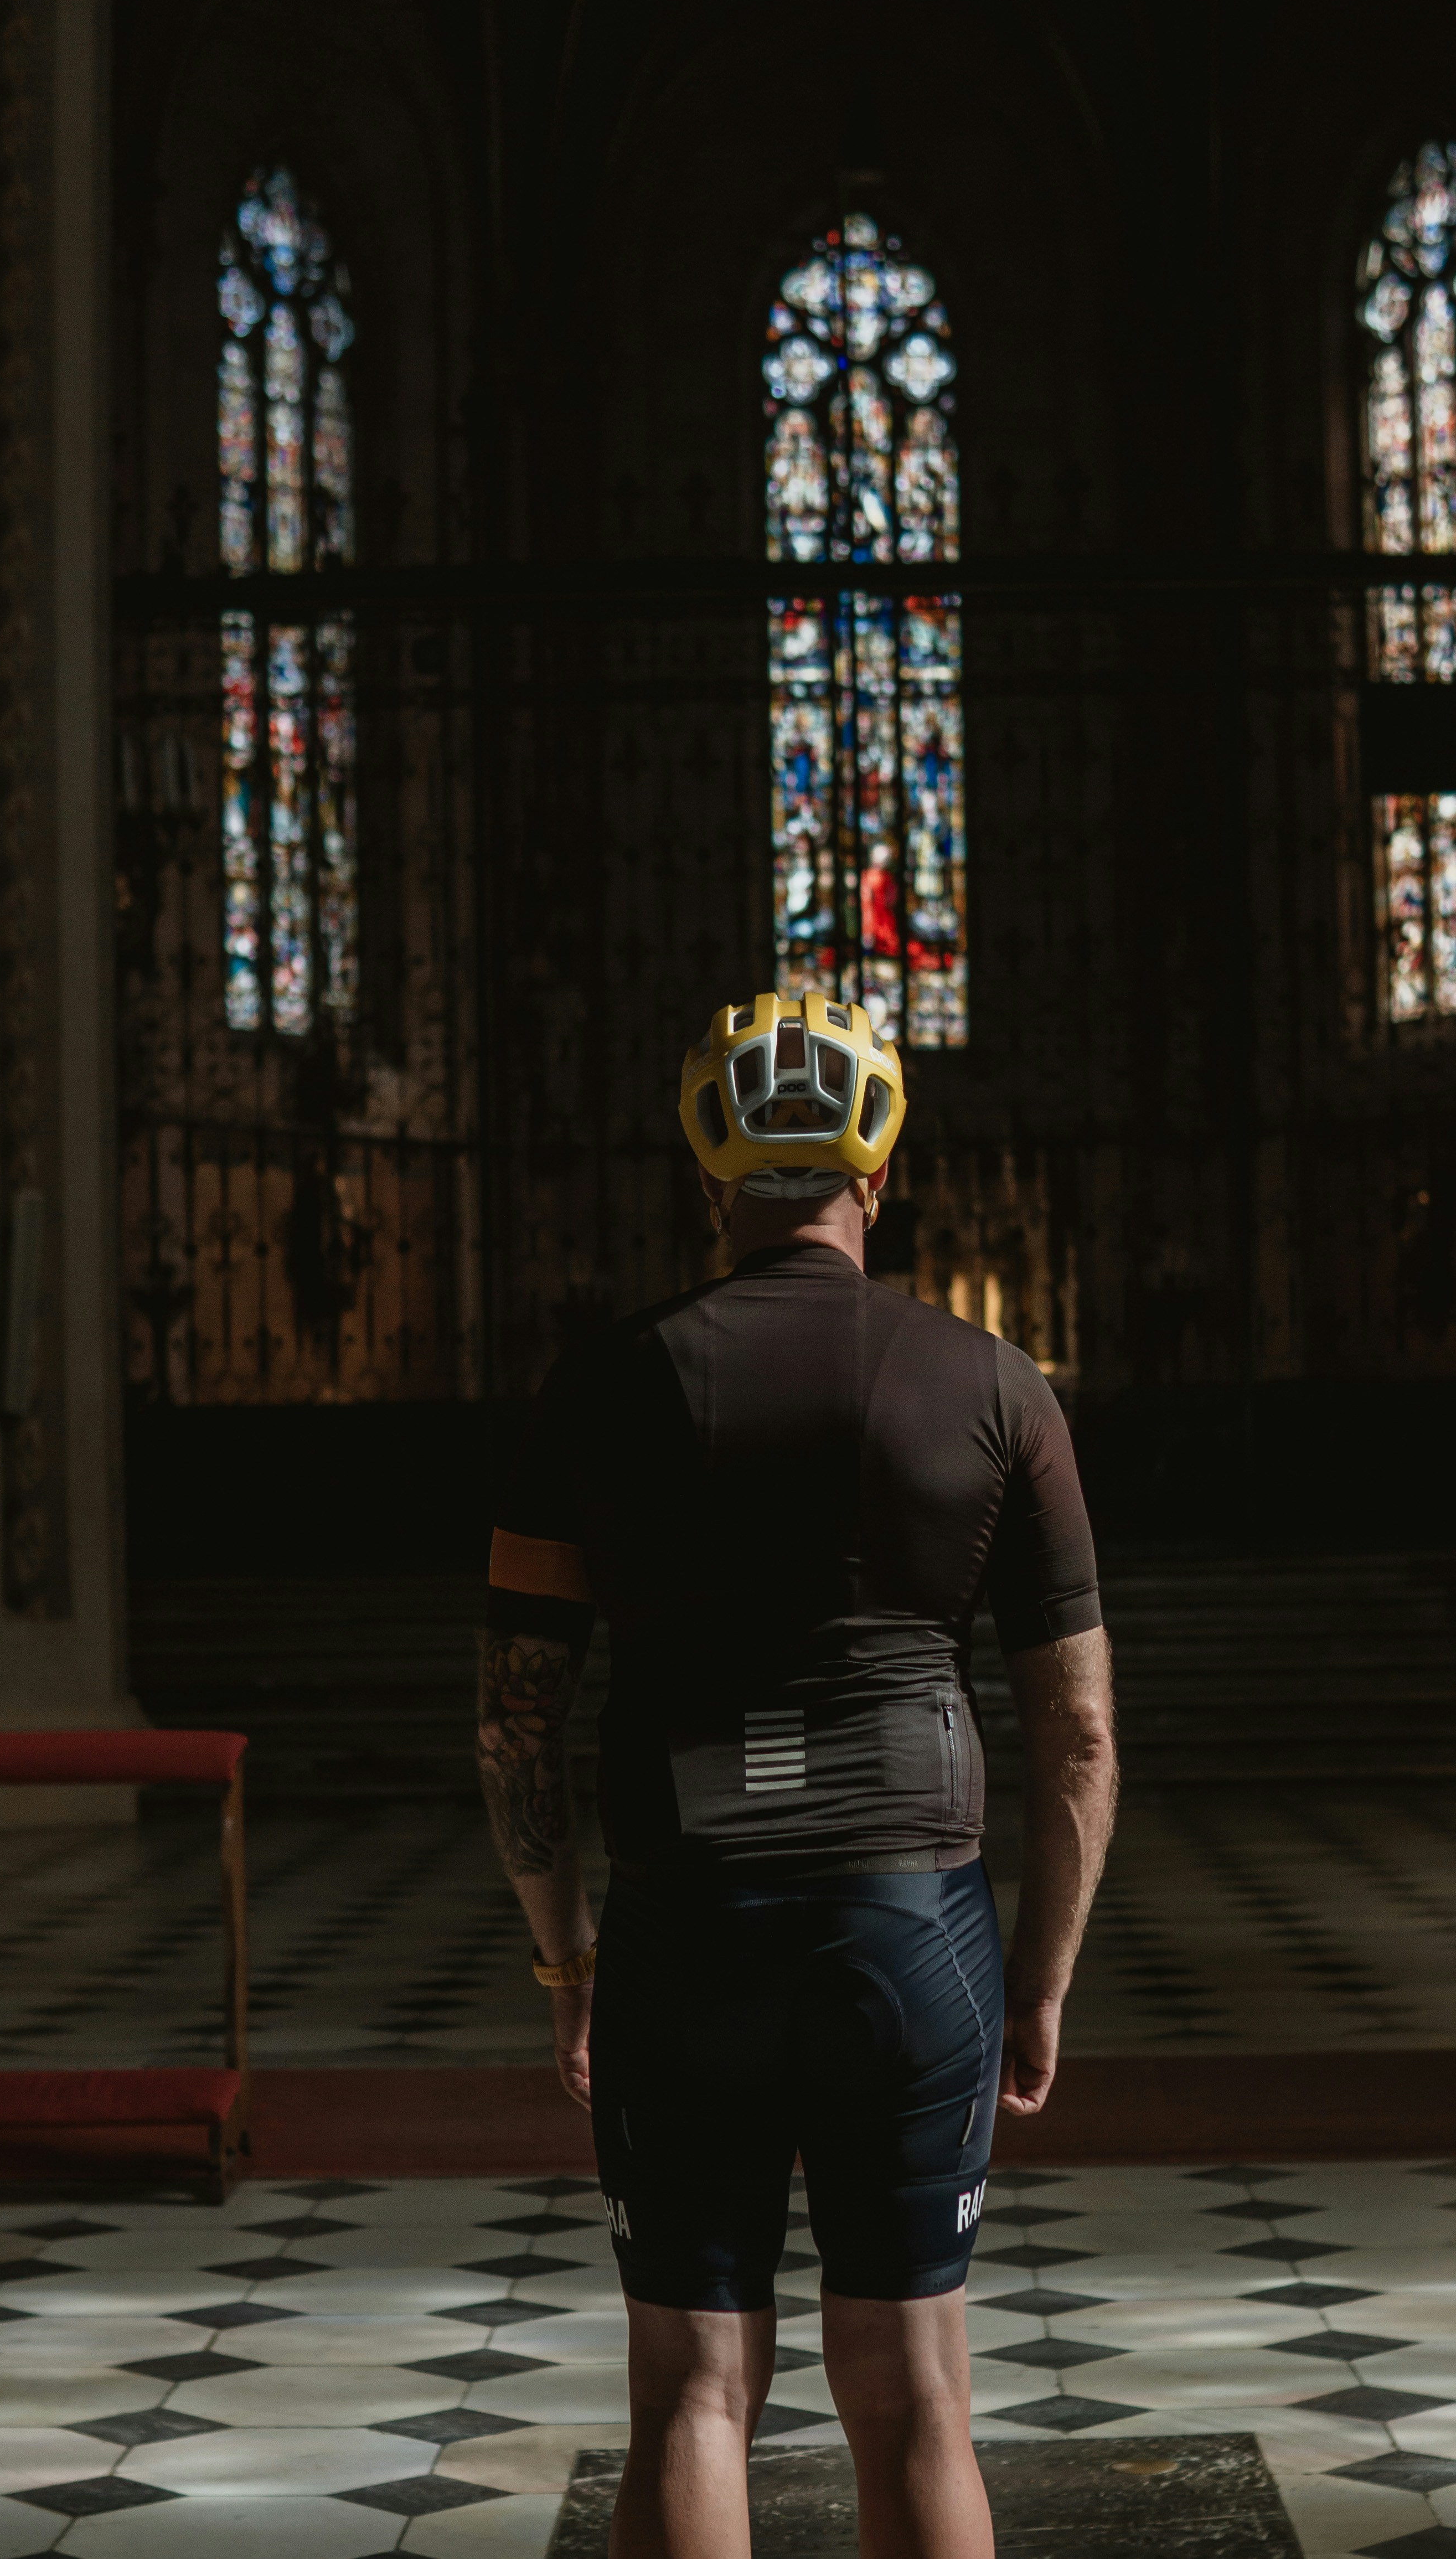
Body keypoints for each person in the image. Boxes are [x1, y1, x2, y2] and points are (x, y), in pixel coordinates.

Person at [476, 990, 1118, 2559]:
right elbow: (1079, 1732)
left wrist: (567, 1960)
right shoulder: (993, 1387)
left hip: (684, 1927)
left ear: (710, 1181)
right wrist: (1037, 1978)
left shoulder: (599, 1387)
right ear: (880, 1173)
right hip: (914, 1937)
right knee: (910, 2395)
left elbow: (513, 1718)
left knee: (694, 2395)